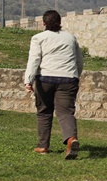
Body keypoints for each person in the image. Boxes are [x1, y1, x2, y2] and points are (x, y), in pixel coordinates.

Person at [24, 10, 84, 159]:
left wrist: (28, 80)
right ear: (59, 21)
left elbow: (34, 60)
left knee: (44, 111)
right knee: (65, 112)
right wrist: (76, 75)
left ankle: (43, 146)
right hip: (68, 79)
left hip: (45, 79)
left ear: (43, 23)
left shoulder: (38, 38)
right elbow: (79, 61)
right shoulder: (71, 38)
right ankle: (71, 139)